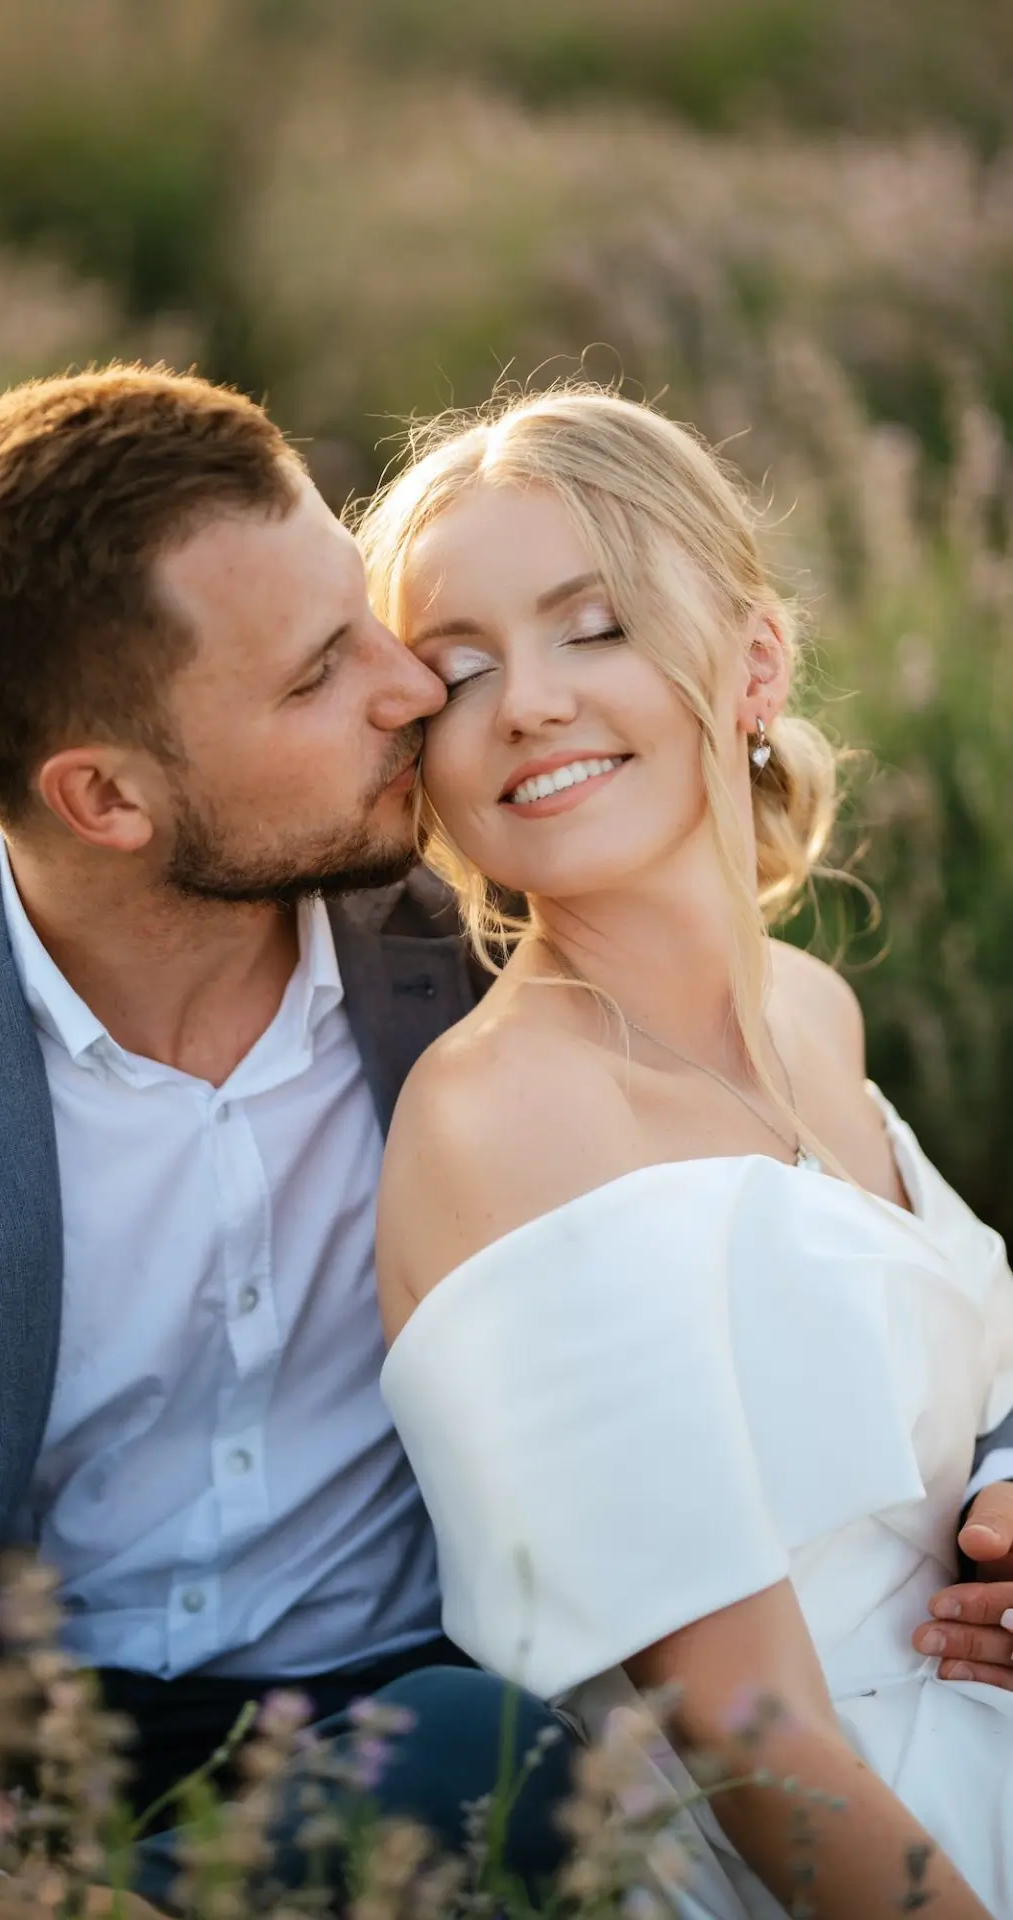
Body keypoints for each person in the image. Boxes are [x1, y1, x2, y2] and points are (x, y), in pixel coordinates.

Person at [0, 367, 578, 1920]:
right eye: (321, 672)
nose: (415, 688)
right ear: (104, 795)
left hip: (386, 1721)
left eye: (364, 611)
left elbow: (821, 1172)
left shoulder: (487, 914)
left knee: (496, 1751)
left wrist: (994, 1470)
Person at [364, 387, 1013, 1918]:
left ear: (753, 663)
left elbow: (961, 1390)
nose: (524, 702)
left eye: (592, 627)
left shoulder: (814, 1014)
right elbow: (741, 1733)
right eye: (455, 672)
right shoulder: (508, 1115)